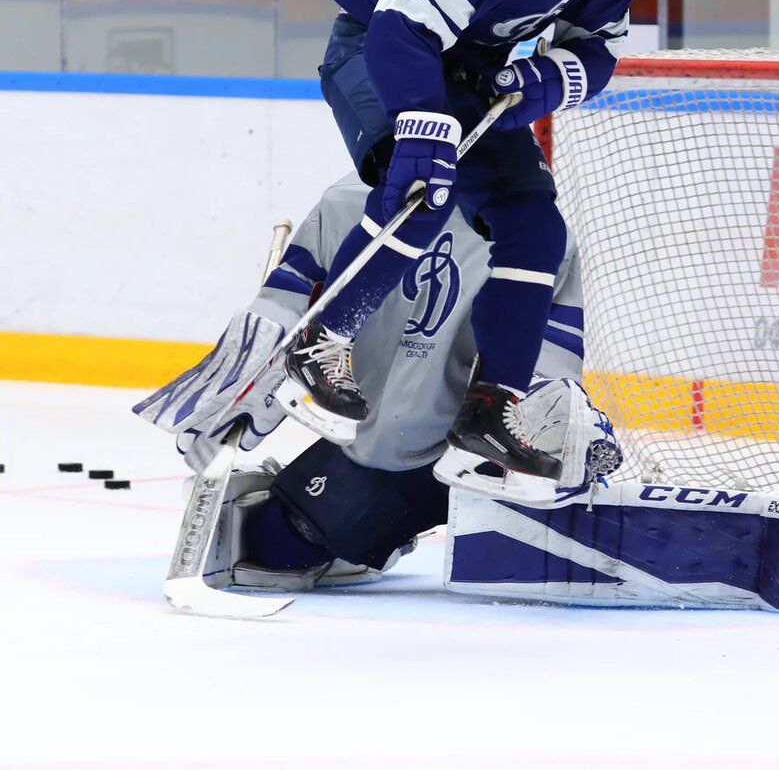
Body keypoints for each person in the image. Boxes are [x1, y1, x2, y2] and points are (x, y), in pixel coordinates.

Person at [287, 0, 679, 483]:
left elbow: (599, 49)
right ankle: (322, 338)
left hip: (467, 62)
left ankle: (493, 405)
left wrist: (544, 83)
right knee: (422, 188)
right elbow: (398, 28)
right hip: (379, 44)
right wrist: (422, 122)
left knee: (533, 226)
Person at [134, 171, 620, 589]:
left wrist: (560, 432)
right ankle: (350, 524)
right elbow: (283, 308)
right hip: (372, 445)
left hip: (473, 453)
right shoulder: (348, 200)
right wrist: (238, 390)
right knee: (276, 549)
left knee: (544, 548)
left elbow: (550, 368)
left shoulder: (537, 233)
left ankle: (372, 520)